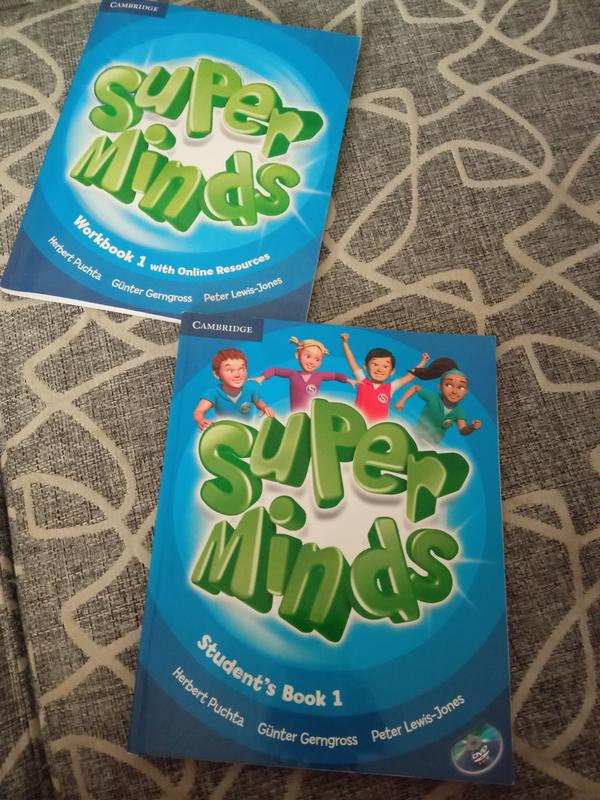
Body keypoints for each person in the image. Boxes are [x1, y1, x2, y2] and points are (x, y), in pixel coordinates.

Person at [340, 332, 429, 422]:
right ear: (366, 366)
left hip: (377, 428)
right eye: (375, 364)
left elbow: (409, 376)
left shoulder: (390, 388)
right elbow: (352, 362)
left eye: (385, 366)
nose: (379, 369)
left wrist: (423, 362)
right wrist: (345, 343)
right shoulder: (362, 380)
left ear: (392, 372)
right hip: (357, 423)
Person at [251, 336, 356, 412]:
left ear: (321, 362)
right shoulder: (293, 374)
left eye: (317, 359)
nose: (312, 362)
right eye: (308, 356)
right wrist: (262, 378)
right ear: (298, 355)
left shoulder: (319, 376)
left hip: (313, 416)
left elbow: (336, 376)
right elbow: (274, 370)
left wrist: (348, 380)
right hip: (295, 416)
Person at [394, 357, 481, 444]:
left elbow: (462, 430)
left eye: (460, 387)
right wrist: (402, 401)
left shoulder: (458, 412)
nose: (454, 391)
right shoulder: (433, 398)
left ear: (466, 392)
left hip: (431, 444)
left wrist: (472, 427)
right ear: (440, 386)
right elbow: (415, 388)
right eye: (449, 385)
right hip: (415, 436)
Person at [193, 348, 274, 430]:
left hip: (250, 430)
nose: (237, 375)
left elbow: (258, 402)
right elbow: (199, 411)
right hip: (226, 431)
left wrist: (264, 407)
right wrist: (201, 420)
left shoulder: (251, 388)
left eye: (241, 369)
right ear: (217, 374)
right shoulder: (213, 393)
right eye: (230, 371)